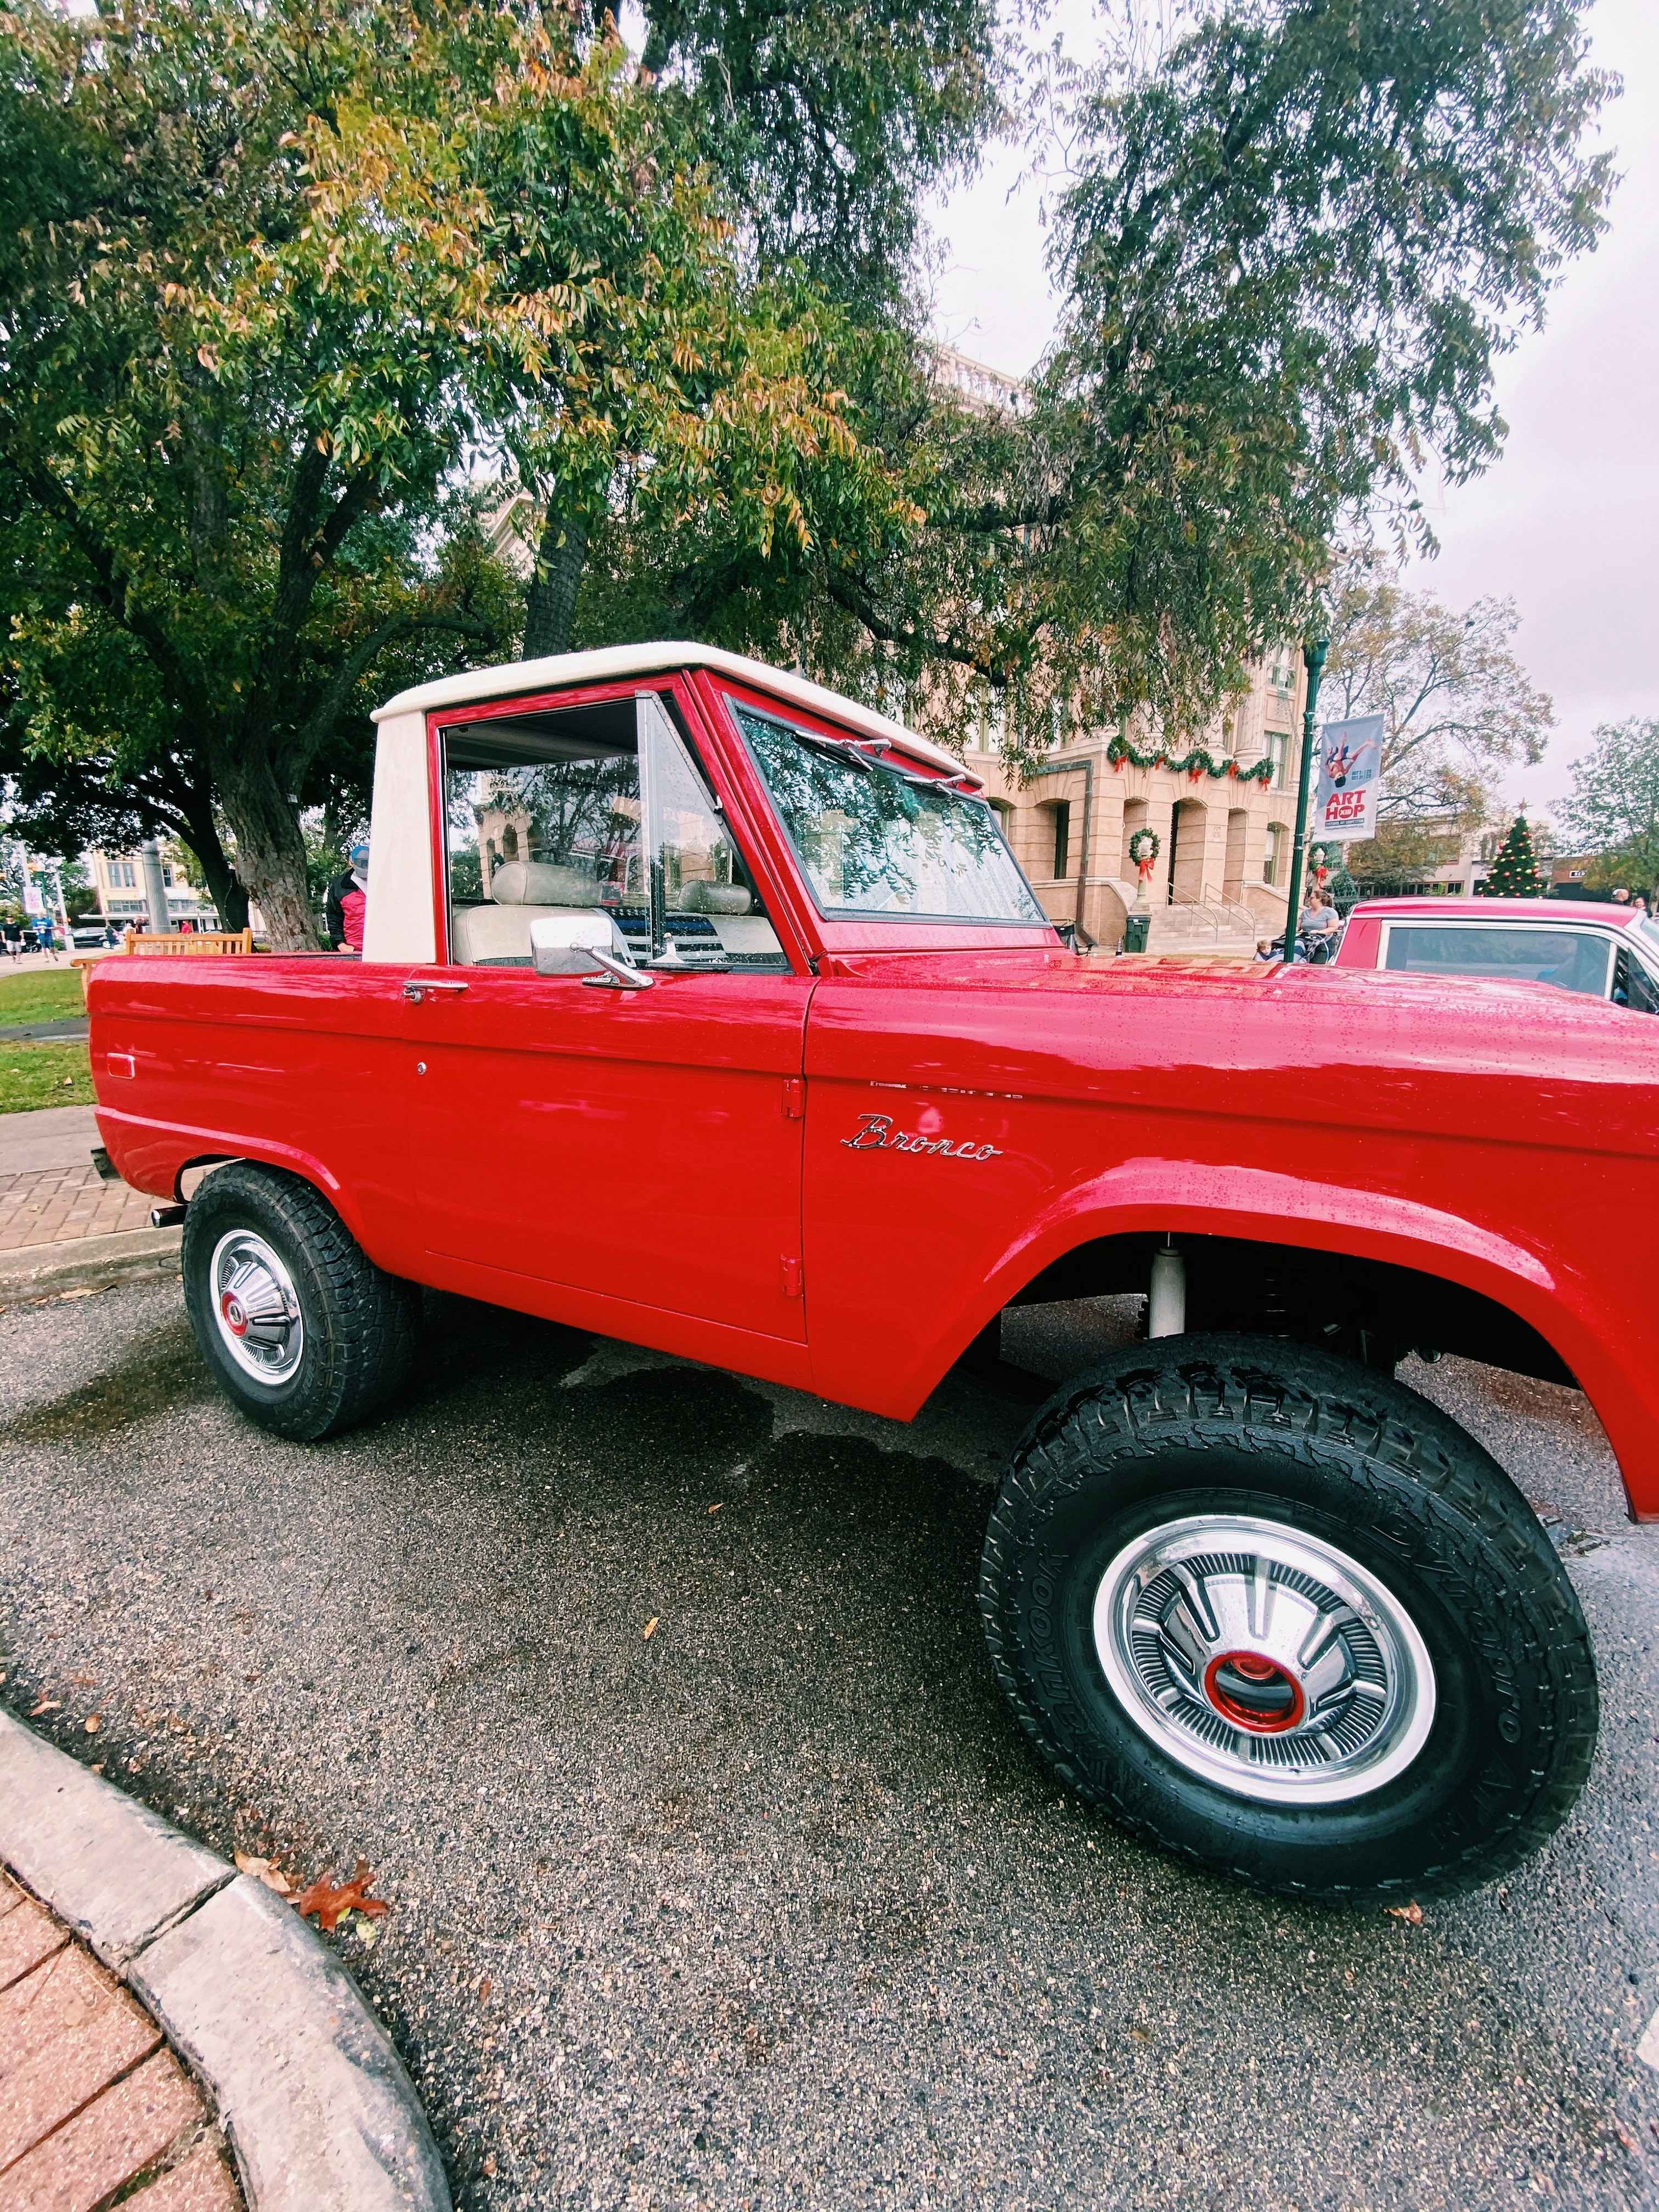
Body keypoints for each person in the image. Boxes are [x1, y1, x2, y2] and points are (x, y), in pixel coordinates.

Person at [325, 841, 370, 952]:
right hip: (352, 950)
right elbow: (334, 916)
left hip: (381, 949)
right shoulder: (340, 886)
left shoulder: (384, 883)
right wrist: (340, 944)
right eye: (361, 864)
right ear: (351, 862)